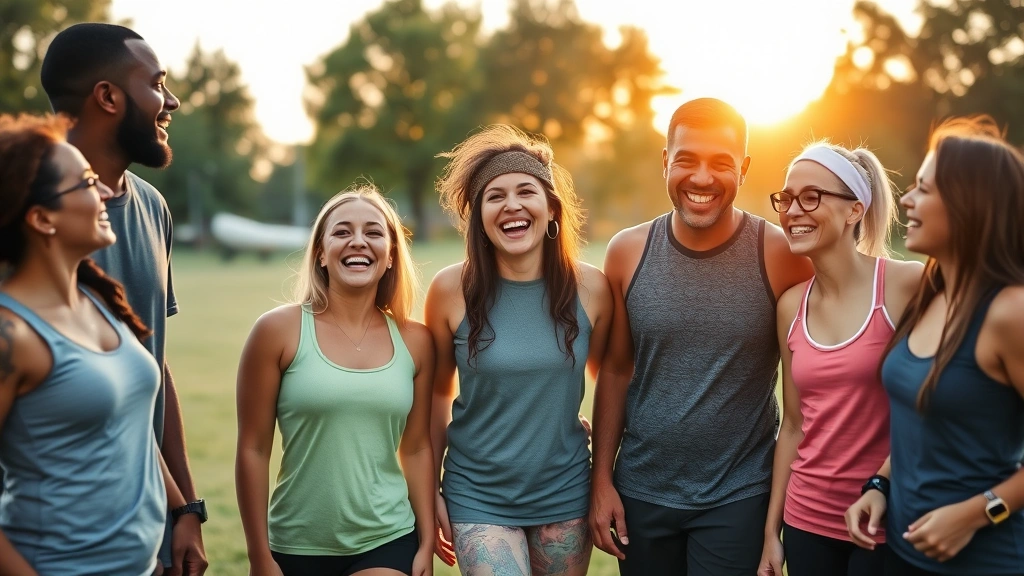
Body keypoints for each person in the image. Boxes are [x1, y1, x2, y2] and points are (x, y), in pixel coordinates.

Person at [588, 97, 814, 575]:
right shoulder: (627, 252)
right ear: (665, 161)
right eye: (687, 160)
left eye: (721, 163)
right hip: (641, 493)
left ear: (745, 169)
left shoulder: (780, 254)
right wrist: (602, 481)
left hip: (739, 495)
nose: (702, 178)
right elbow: (616, 368)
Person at [39, 23, 207, 574]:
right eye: (157, 83)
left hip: (147, 517)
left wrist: (185, 508)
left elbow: (152, 366)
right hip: (64, 532)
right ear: (108, 97)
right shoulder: (25, 216)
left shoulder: (153, 207)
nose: (172, 100)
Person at [0, 114, 191, 575]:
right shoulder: (12, 335)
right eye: (86, 183)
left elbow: (130, 423)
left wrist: (183, 509)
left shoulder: (97, 299)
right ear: (42, 218)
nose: (105, 192)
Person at [426, 124, 612, 575]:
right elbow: (433, 395)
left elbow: (610, 379)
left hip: (565, 491)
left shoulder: (592, 289)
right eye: (495, 196)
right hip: (477, 494)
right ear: (480, 219)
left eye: (526, 191)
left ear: (551, 209)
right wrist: (427, 488)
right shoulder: (450, 290)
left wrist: (603, 477)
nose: (511, 205)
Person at [845, 115, 1024, 575]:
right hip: (902, 556)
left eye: (924, 189)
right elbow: (916, 424)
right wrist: (879, 486)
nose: (906, 200)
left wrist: (975, 514)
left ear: (971, 203)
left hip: (986, 562)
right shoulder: (932, 289)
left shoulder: (1010, 312)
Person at [235, 186, 436, 576]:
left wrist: (426, 541)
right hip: (295, 542)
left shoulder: (417, 341)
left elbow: (417, 448)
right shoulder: (277, 331)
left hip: (387, 537)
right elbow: (254, 449)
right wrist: (259, 556)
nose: (358, 241)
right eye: (342, 232)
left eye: (374, 233)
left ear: (391, 255)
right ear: (321, 253)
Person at [755, 142, 923, 576]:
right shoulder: (791, 306)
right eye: (786, 199)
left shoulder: (906, 285)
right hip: (807, 521)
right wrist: (772, 533)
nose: (792, 211)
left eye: (811, 197)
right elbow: (793, 425)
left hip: (888, 519)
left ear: (854, 210)